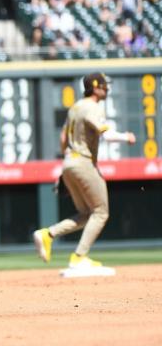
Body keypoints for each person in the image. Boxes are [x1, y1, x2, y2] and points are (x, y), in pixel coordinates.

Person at [33, 72, 136, 273]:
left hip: (69, 163)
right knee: (101, 212)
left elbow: (63, 138)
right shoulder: (92, 107)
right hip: (84, 162)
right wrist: (127, 137)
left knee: (87, 214)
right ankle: (79, 257)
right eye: (105, 85)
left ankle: (48, 234)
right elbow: (107, 135)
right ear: (95, 87)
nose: (107, 89)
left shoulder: (75, 107)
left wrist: (69, 166)